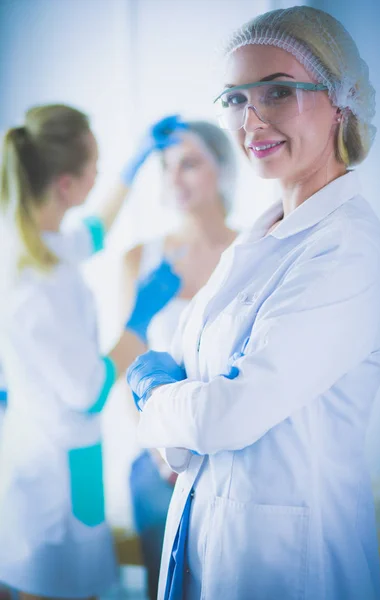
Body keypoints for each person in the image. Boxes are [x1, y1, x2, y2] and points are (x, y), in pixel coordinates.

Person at [127, 6, 380, 600]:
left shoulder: (350, 249)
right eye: (234, 98)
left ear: (342, 100)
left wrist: (150, 394)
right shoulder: (258, 239)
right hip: (207, 543)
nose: (250, 121)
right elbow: (195, 408)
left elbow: (228, 414)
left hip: (292, 564)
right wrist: (183, 418)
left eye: (277, 91)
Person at [0, 105, 184, 599]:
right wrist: (138, 322)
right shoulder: (33, 285)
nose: (101, 175)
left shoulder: (41, 240)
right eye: (95, 167)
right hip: (49, 475)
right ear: (65, 184)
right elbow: (90, 390)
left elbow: (96, 230)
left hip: (64, 456)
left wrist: (136, 162)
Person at [123, 119, 237, 600]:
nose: (175, 178)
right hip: (158, 464)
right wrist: (159, 450)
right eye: (167, 167)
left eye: (189, 164)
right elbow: (127, 358)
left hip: (231, 455)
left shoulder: (254, 252)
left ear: (223, 168)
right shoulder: (141, 258)